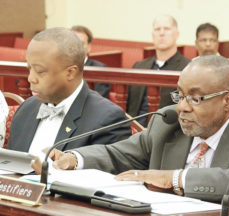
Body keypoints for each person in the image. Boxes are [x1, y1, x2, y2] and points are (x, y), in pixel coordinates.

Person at [34, 55, 229, 202]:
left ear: (228, 101)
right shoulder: (168, 123)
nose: (182, 108)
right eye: (180, 95)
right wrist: (73, 159)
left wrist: (174, 178)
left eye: (195, 99)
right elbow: (118, 154)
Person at [7, 27, 131, 156]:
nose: (30, 78)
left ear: (70, 72)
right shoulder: (26, 109)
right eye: (29, 68)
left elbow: (104, 174)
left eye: (40, 71)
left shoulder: (107, 119)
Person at [127, 14, 190, 127]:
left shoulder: (188, 68)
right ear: (153, 35)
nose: (161, 33)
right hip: (133, 129)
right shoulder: (139, 66)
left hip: (167, 131)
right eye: (157, 29)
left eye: (166, 29)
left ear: (177, 34)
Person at [71, 25, 110, 98]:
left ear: (89, 47)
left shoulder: (99, 69)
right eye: (73, 43)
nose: (76, 47)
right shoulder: (60, 66)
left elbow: (100, 100)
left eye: (81, 43)